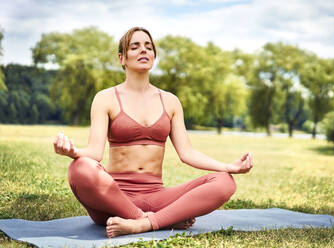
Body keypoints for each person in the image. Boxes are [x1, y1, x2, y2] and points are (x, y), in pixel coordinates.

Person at [53, 27, 253, 238]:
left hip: (157, 197)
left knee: (224, 181)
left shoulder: (170, 101)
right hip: (113, 200)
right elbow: (94, 153)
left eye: (149, 47)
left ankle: (144, 224)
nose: (143, 51)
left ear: (154, 57)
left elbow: (187, 153)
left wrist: (228, 167)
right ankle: (155, 220)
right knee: (79, 168)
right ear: (122, 58)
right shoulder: (105, 98)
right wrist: (73, 152)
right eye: (135, 46)